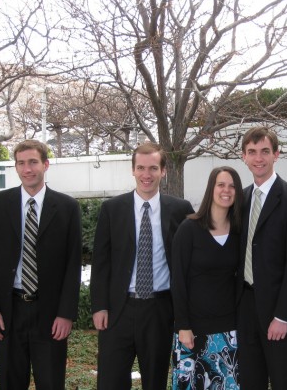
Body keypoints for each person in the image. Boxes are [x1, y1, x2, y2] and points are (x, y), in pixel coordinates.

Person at [0, 140, 82, 390]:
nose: (27, 169)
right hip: (9, 311)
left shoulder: (68, 207)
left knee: (51, 382)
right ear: (16, 167)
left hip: (49, 313)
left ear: (45, 164)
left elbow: (73, 264)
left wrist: (66, 313)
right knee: (11, 381)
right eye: (21, 163)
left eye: (33, 162)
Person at [90, 142, 194, 390]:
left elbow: (190, 263)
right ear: (133, 170)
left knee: (155, 380)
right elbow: (101, 262)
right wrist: (99, 306)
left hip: (160, 309)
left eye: (153, 168)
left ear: (163, 171)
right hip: (119, 309)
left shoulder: (181, 210)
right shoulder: (112, 209)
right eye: (141, 168)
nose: (147, 175)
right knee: (111, 380)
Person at [236, 126, 287, 389]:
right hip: (245, 310)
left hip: (278, 314)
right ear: (244, 157)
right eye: (252, 152)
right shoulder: (240, 200)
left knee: (284, 383)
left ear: (276, 154)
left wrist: (283, 316)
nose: (259, 158)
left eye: (265, 152)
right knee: (250, 382)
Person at [171, 166, 244, 389]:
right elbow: (178, 280)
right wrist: (183, 325)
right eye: (221, 184)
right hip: (193, 331)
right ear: (211, 188)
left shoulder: (240, 231)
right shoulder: (189, 229)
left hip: (229, 331)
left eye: (232, 186)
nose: (226, 190)